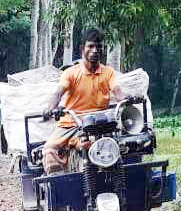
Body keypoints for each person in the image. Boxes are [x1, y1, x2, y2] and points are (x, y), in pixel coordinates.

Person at [41, 30, 123, 174]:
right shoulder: (71, 73)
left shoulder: (108, 72)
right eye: (90, 46)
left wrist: (129, 98)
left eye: (98, 47)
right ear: (82, 49)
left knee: (123, 147)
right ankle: (60, 188)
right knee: (49, 150)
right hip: (72, 123)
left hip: (99, 124)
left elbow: (118, 92)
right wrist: (50, 108)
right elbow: (58, 92)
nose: (95, 51)